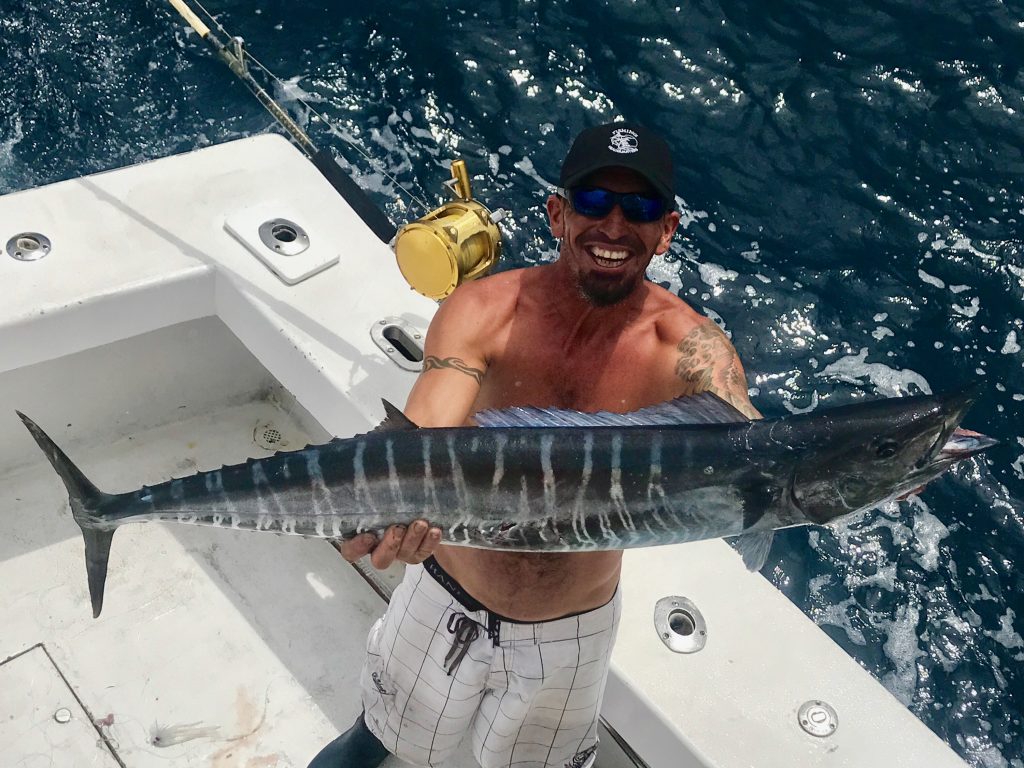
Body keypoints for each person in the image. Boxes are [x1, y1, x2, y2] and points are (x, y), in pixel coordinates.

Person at [308, 121, 761, 768]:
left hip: (570, 631)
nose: (613, 225)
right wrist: (396, 508)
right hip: (442, 588)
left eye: (638, 208)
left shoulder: (691, 353)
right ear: (557, 213)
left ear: (667, 229)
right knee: (374, 738)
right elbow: (432, 428)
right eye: (593, 202)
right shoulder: (483, 309)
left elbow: (756, 451)